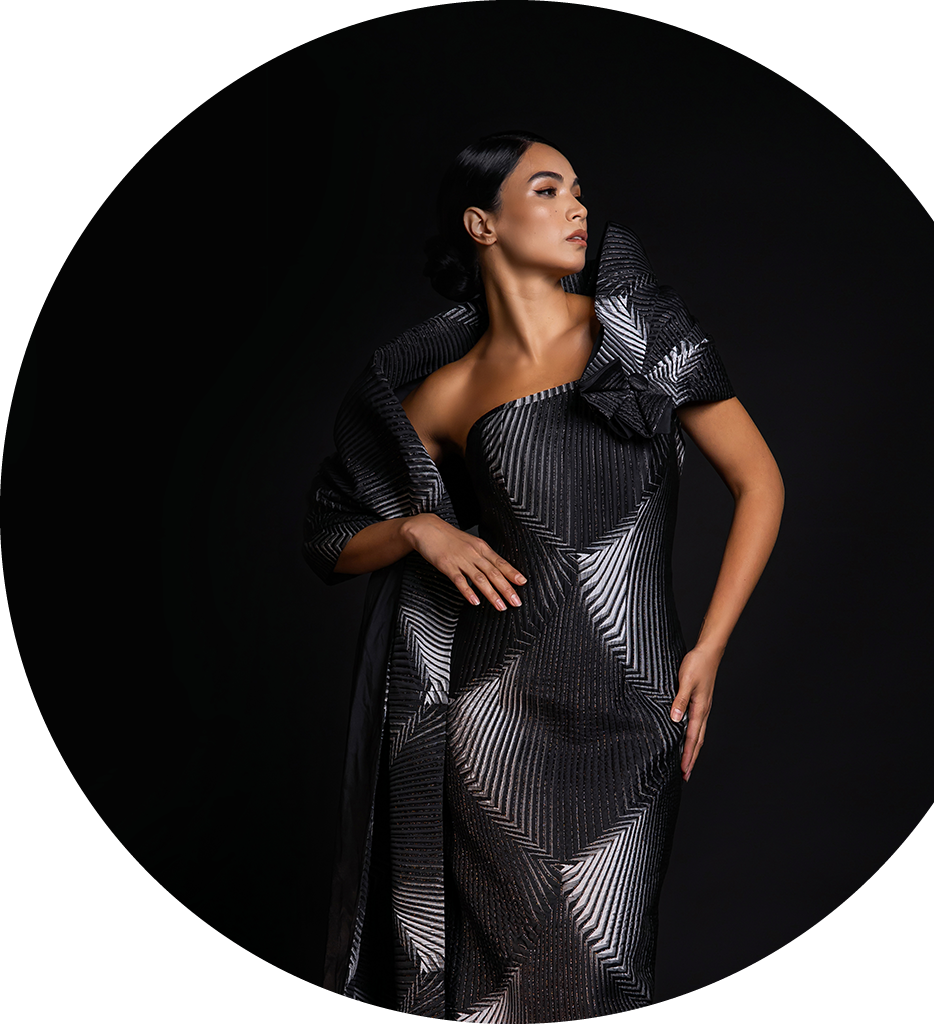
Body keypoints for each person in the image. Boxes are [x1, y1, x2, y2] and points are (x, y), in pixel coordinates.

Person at [303, 130, 785, 1022]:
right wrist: (417, 529)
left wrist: (711, 648)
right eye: (548, 190)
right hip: (491, 725)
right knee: (494, 993)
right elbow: (331, 540)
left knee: (602, 979)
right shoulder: (445, 394)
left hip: (633, 707)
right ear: (481, 224)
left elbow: (760, 482)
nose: (578, 208)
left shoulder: (637, 332)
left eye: (579, 192)